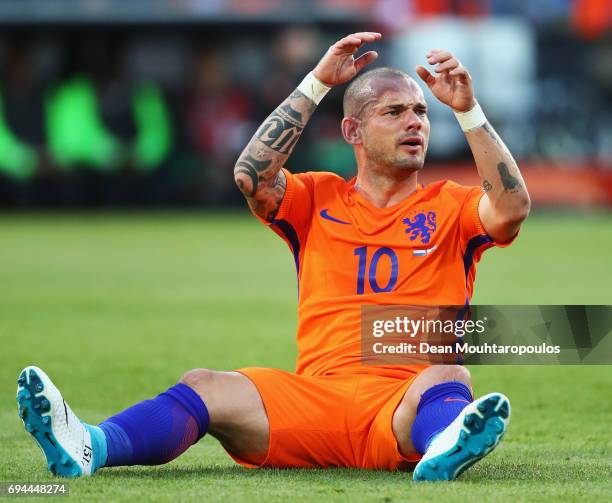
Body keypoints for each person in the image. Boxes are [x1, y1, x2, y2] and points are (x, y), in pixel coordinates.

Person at [17, 32, 530, 481]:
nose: (414, 122)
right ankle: (88, 446)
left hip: (401, 407)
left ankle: (442, 446)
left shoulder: (452, 204)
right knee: (205, 385)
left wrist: (467, 110)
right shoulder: (318, 197)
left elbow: (512, 207)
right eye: (394, 112)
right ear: (352, 132)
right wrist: (316, 84)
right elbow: (250, 176)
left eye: (420, 112)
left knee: (450, 376)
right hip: (314, 400)